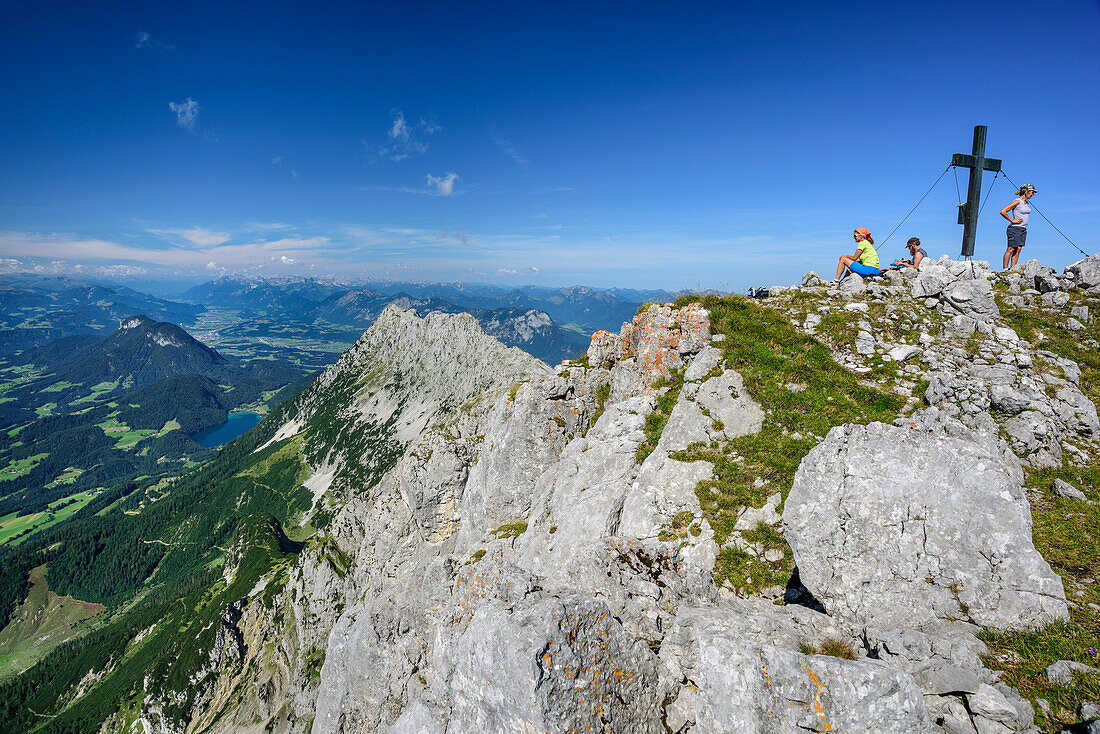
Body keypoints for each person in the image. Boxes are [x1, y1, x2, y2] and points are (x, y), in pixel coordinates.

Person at [1000, 184, 1036, 270]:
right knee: (1011, 248)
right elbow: (1003, 211)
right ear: (1026, 192)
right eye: (1032, 192)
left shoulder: (1026, 203)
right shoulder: (1017, 201)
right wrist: (1012, 220)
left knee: (1018, 249)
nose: (1032, 194)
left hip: (1023, 229)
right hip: (1015, 228)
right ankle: (1005, 269)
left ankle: (1012, 268)